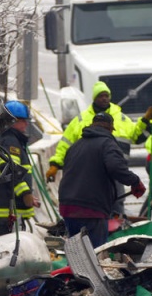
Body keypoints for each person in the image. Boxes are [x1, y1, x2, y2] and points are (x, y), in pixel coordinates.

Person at [45, 81, 140, 214]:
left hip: (116, 171)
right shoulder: (80, 119)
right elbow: (65, 144)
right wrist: (55, 164)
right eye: (101, 95)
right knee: (95, 203)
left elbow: (137, 135)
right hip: (92, 172)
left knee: (116, 203)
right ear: (94, 98)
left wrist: (145, 122)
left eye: (106, 95)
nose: (104, 98)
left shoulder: (122, 118)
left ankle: (115, 227)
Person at [58, 113, 146, 248]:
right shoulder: (107, 143)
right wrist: (135, 181)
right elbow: (116, 167)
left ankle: (76, 269)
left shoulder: (75, 146)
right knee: (96, 252)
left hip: (68, 206)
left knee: (77, 252)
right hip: (91, 208)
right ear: (111, 129)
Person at [0, 100, 39, 235]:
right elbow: (10, 170)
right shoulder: (10, 141)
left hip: (9, 207)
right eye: (23, 120)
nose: (26, 124)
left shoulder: (10, 140)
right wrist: (25, 193)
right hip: (7, 208)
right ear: (13, 121)